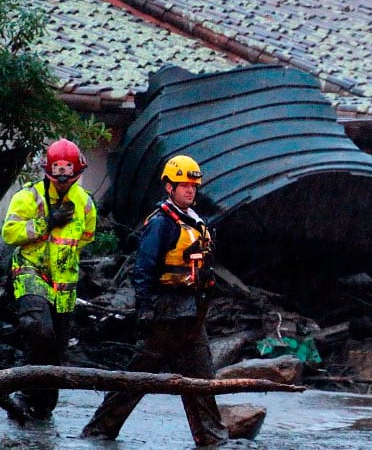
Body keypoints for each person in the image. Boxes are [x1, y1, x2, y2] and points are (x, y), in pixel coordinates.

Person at [80, 155, 228, 446]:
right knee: (137, 378)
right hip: (164, 314)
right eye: (183, 185)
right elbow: (143, 269)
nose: (190, 191)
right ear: (169, 188)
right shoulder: (161, 223)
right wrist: (144, 309)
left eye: (193, 186)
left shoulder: (197, 222)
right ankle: (98, 431)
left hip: (191, 315)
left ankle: (213, 439)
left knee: (202, 380)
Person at [2, 138, 96, 421]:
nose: (64, 180)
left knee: (56, 346)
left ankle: (42, 406)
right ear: (49, 172)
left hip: (64, 282)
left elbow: (86, 237)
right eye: (59, 173)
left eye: (69, 173)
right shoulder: (29, 197)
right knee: (38, 329)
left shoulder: (85, 202)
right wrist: (46, 223)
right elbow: (10, 233)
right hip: (30, 271)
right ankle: (21, 392)